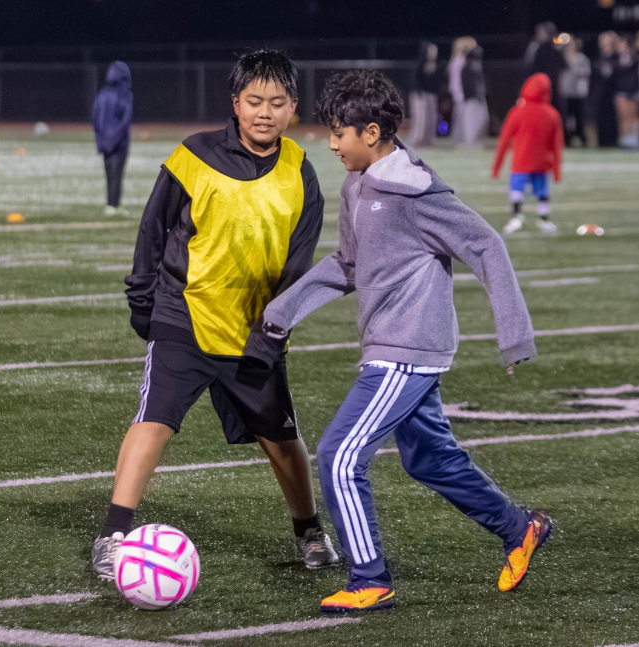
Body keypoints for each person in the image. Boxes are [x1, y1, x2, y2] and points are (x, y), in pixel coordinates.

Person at [255, 70, 552, 613]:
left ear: (372, 133)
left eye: (340, 133)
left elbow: (487, 246)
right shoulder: (355, 186)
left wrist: (514, 334)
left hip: (407, 348)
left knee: (340, 457)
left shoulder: (416, 192)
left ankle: (370, 579)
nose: (332, 143)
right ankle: (520, 527)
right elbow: (347, 264)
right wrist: (282, 312)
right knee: (429, 460)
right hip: (388, 346)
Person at [91, 50, 339, 582]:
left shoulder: (301, 169)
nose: (264, 112)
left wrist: (276, 329)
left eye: (277, 102)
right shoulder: (193, 155)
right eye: (254, 101)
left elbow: (298, 265)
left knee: (280, 435)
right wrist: (143, 301)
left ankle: (309, 531)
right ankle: (114, 534)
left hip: (257, 329)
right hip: (186, 315)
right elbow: (152, 232)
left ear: (293, 106)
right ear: (235, 102)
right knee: (154, 420)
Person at [492, 73, 564, 235]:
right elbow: (556, 147)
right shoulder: (552, 114)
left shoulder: (517, 112)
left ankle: (516, 218)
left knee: (516, 191)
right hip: (542, 164)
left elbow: (503, 141)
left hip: (520, 163)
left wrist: (496, 168)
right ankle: (544, 219)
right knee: (543, 193)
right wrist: (557, 172)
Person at [92, 61, 133, 218]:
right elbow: (126, 120)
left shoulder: (102, 94)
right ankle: (114, 204)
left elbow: (95, 118)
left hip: (105, 141)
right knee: (117, 174)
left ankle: (110, 203)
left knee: (109, 173)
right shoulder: (124, 95)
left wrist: (101, 138)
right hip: (119, 142)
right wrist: (117, 137)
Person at [408, 41, 443, 147]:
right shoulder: (420, 63)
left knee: (431, 118)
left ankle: (428, 140)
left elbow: (436, 83)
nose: (434, 53)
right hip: (419, 95)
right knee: (420, 118)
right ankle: (417, 140)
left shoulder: (434, 65)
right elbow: (415, 81)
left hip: (430, 95)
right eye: (432, 50)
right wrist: (420, 92)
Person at [588, 31, 619, 147]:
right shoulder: (597, 58)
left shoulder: (617, 57)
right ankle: (602, 141)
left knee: (612, 116)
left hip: (613, 92)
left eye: (605, 39)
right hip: (600, 93)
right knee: (601, 116)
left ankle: (613, 140)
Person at [560, 36, 591, 147]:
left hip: (578, 93)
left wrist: (575, 65)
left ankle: (581, 137)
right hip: (567, 92)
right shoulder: (562, 57)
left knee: (579, 116)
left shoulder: (581, 58)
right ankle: (568, 138)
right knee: (568, 116)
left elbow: (586, 72)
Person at [531, 22, 567, 117]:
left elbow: (563, 66)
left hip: (546, 85)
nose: (539, 35)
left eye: (541, 32)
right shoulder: (545, 48)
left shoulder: (545, 49)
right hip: (549, 85)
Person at [448, 36, 477, 146]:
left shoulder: (458, 59)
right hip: (460, 91)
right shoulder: (459, 59)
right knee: (463, 116)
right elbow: (456, 78)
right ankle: (463, 139)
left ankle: (463, 138)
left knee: (462, 115)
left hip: (460, 90)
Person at [612, 34, 639, 148]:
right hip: (621, 90)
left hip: (633, 90)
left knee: (633, 116)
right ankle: (624, 141)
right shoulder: (615, 58)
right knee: (623, 117)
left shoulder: (634, 57)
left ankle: (633, 140)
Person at [460, 43, 490, 147]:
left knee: (482, 119)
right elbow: (468, 85)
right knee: (471, 121)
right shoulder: (468, 67)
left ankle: (475, 140)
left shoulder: (477, 66)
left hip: (479, 98)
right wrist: (473, 95)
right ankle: (470, 141)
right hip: (471, 99)